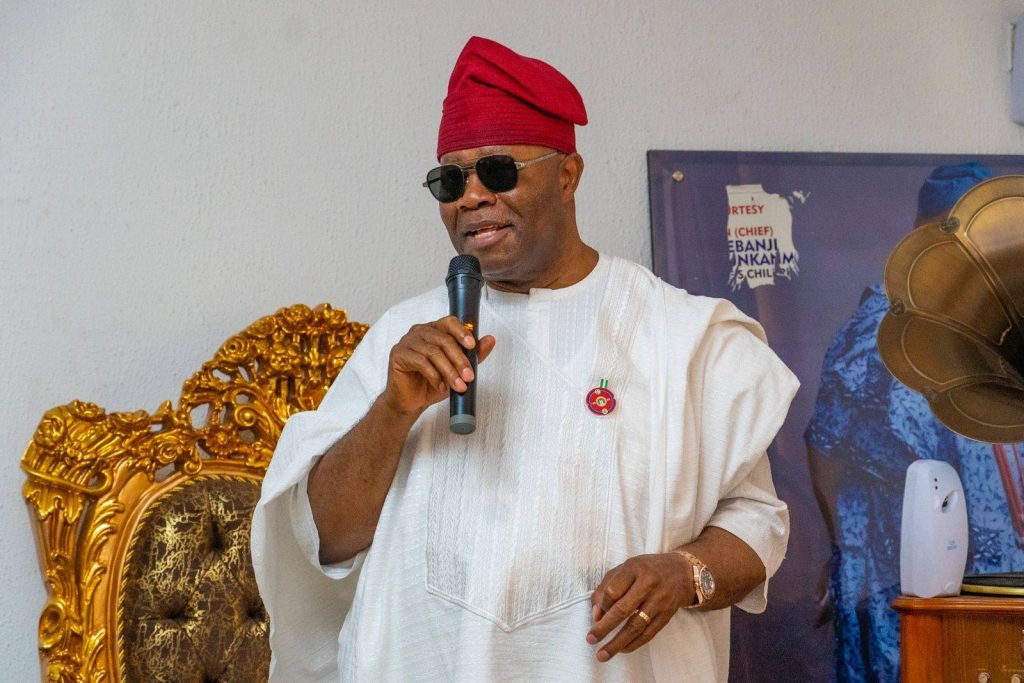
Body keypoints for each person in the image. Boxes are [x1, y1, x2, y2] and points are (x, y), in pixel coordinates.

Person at [252, 36, 799, 682]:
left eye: (498, 171)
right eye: (451, 180)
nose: (471, 197)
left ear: (567, 175)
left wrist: (685, 573)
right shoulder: (403, 338)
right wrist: (392, 411)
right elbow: (324, 540)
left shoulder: (682, 337)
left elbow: (758, 520)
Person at [805, 162, 1024, 682]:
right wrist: (843, 549)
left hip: (997, 583)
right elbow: (826, 449)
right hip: (909, 580)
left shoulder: (1004, 313)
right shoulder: (877, 333)